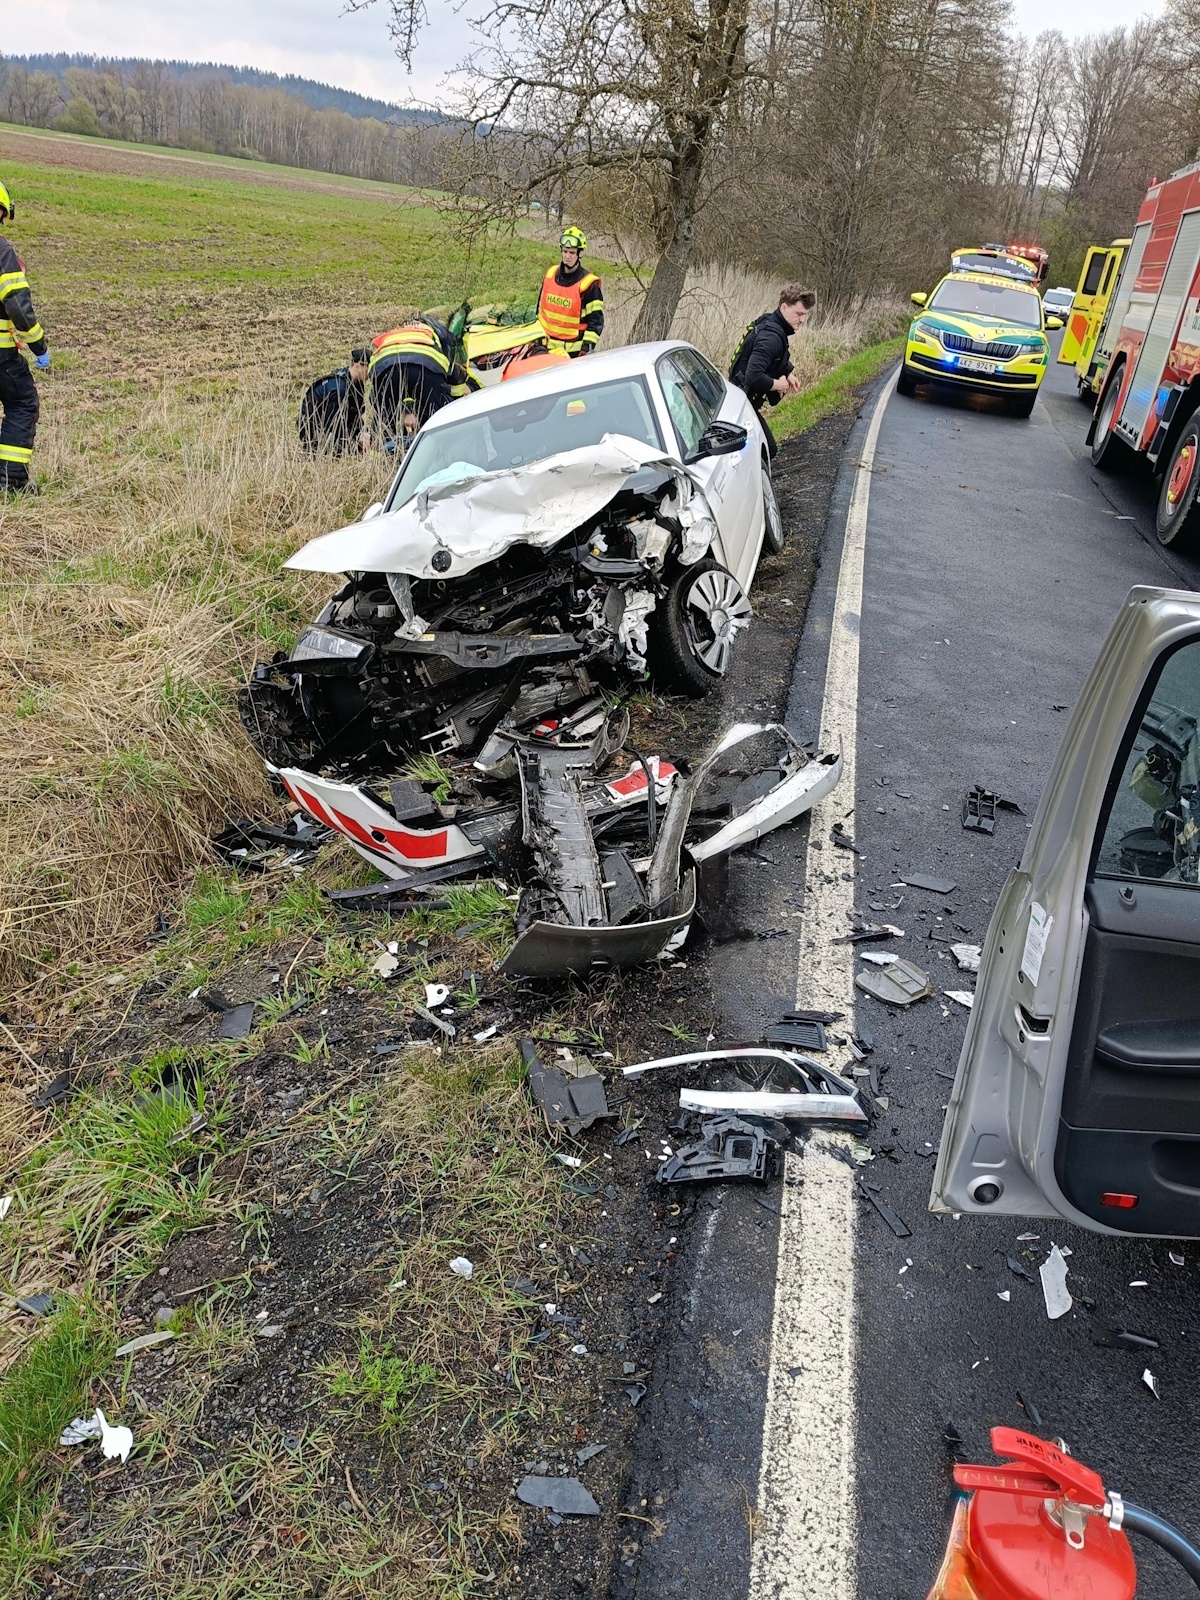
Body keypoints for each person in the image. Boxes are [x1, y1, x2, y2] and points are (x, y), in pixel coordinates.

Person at [0, 180, 49, 494]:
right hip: (1, 357)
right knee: (22, 403)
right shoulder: (1, 252)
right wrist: (39, 346)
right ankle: (10, 481)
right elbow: (18, 305)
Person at [729, 284, 816, 458]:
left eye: (805, 315)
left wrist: (788, 373)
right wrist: (779, 384)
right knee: (767, 449)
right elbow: (753, 376)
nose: (802, 320)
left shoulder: (769, 321)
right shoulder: (771, 337)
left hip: (738, 396)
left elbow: (772, 358)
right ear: (784, 307)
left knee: (763, 449)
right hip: (740, 404)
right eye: (799, 314)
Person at [368, 316, 468, 445]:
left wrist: (406, 408)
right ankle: (444, 445)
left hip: (385, 367)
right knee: (438, 415)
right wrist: (455, 402)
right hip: (425, 366)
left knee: (383, 417)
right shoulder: (436, 335)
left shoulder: (394, 334)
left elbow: (375, 397)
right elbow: (453, 376)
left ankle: (382, 450)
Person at [537, 228, 604, 358]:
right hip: (545, 350)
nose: (567, 256)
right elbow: (539, 311)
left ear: (580, 253)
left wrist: (586, 348)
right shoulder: (550, 274)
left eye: (572, 253)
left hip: (573, 355)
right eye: (565, 251)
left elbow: (595, 322)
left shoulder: (589, 284)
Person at [298, 348, 370, 455]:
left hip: (331, 429)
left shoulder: (356, 385)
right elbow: (331, 426)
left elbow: (354, 416)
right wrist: (351, 446)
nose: (371, 374)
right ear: (358, 366)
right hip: (314, 433)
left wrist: (362, 433)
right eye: (369, 369)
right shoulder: (339, 389)